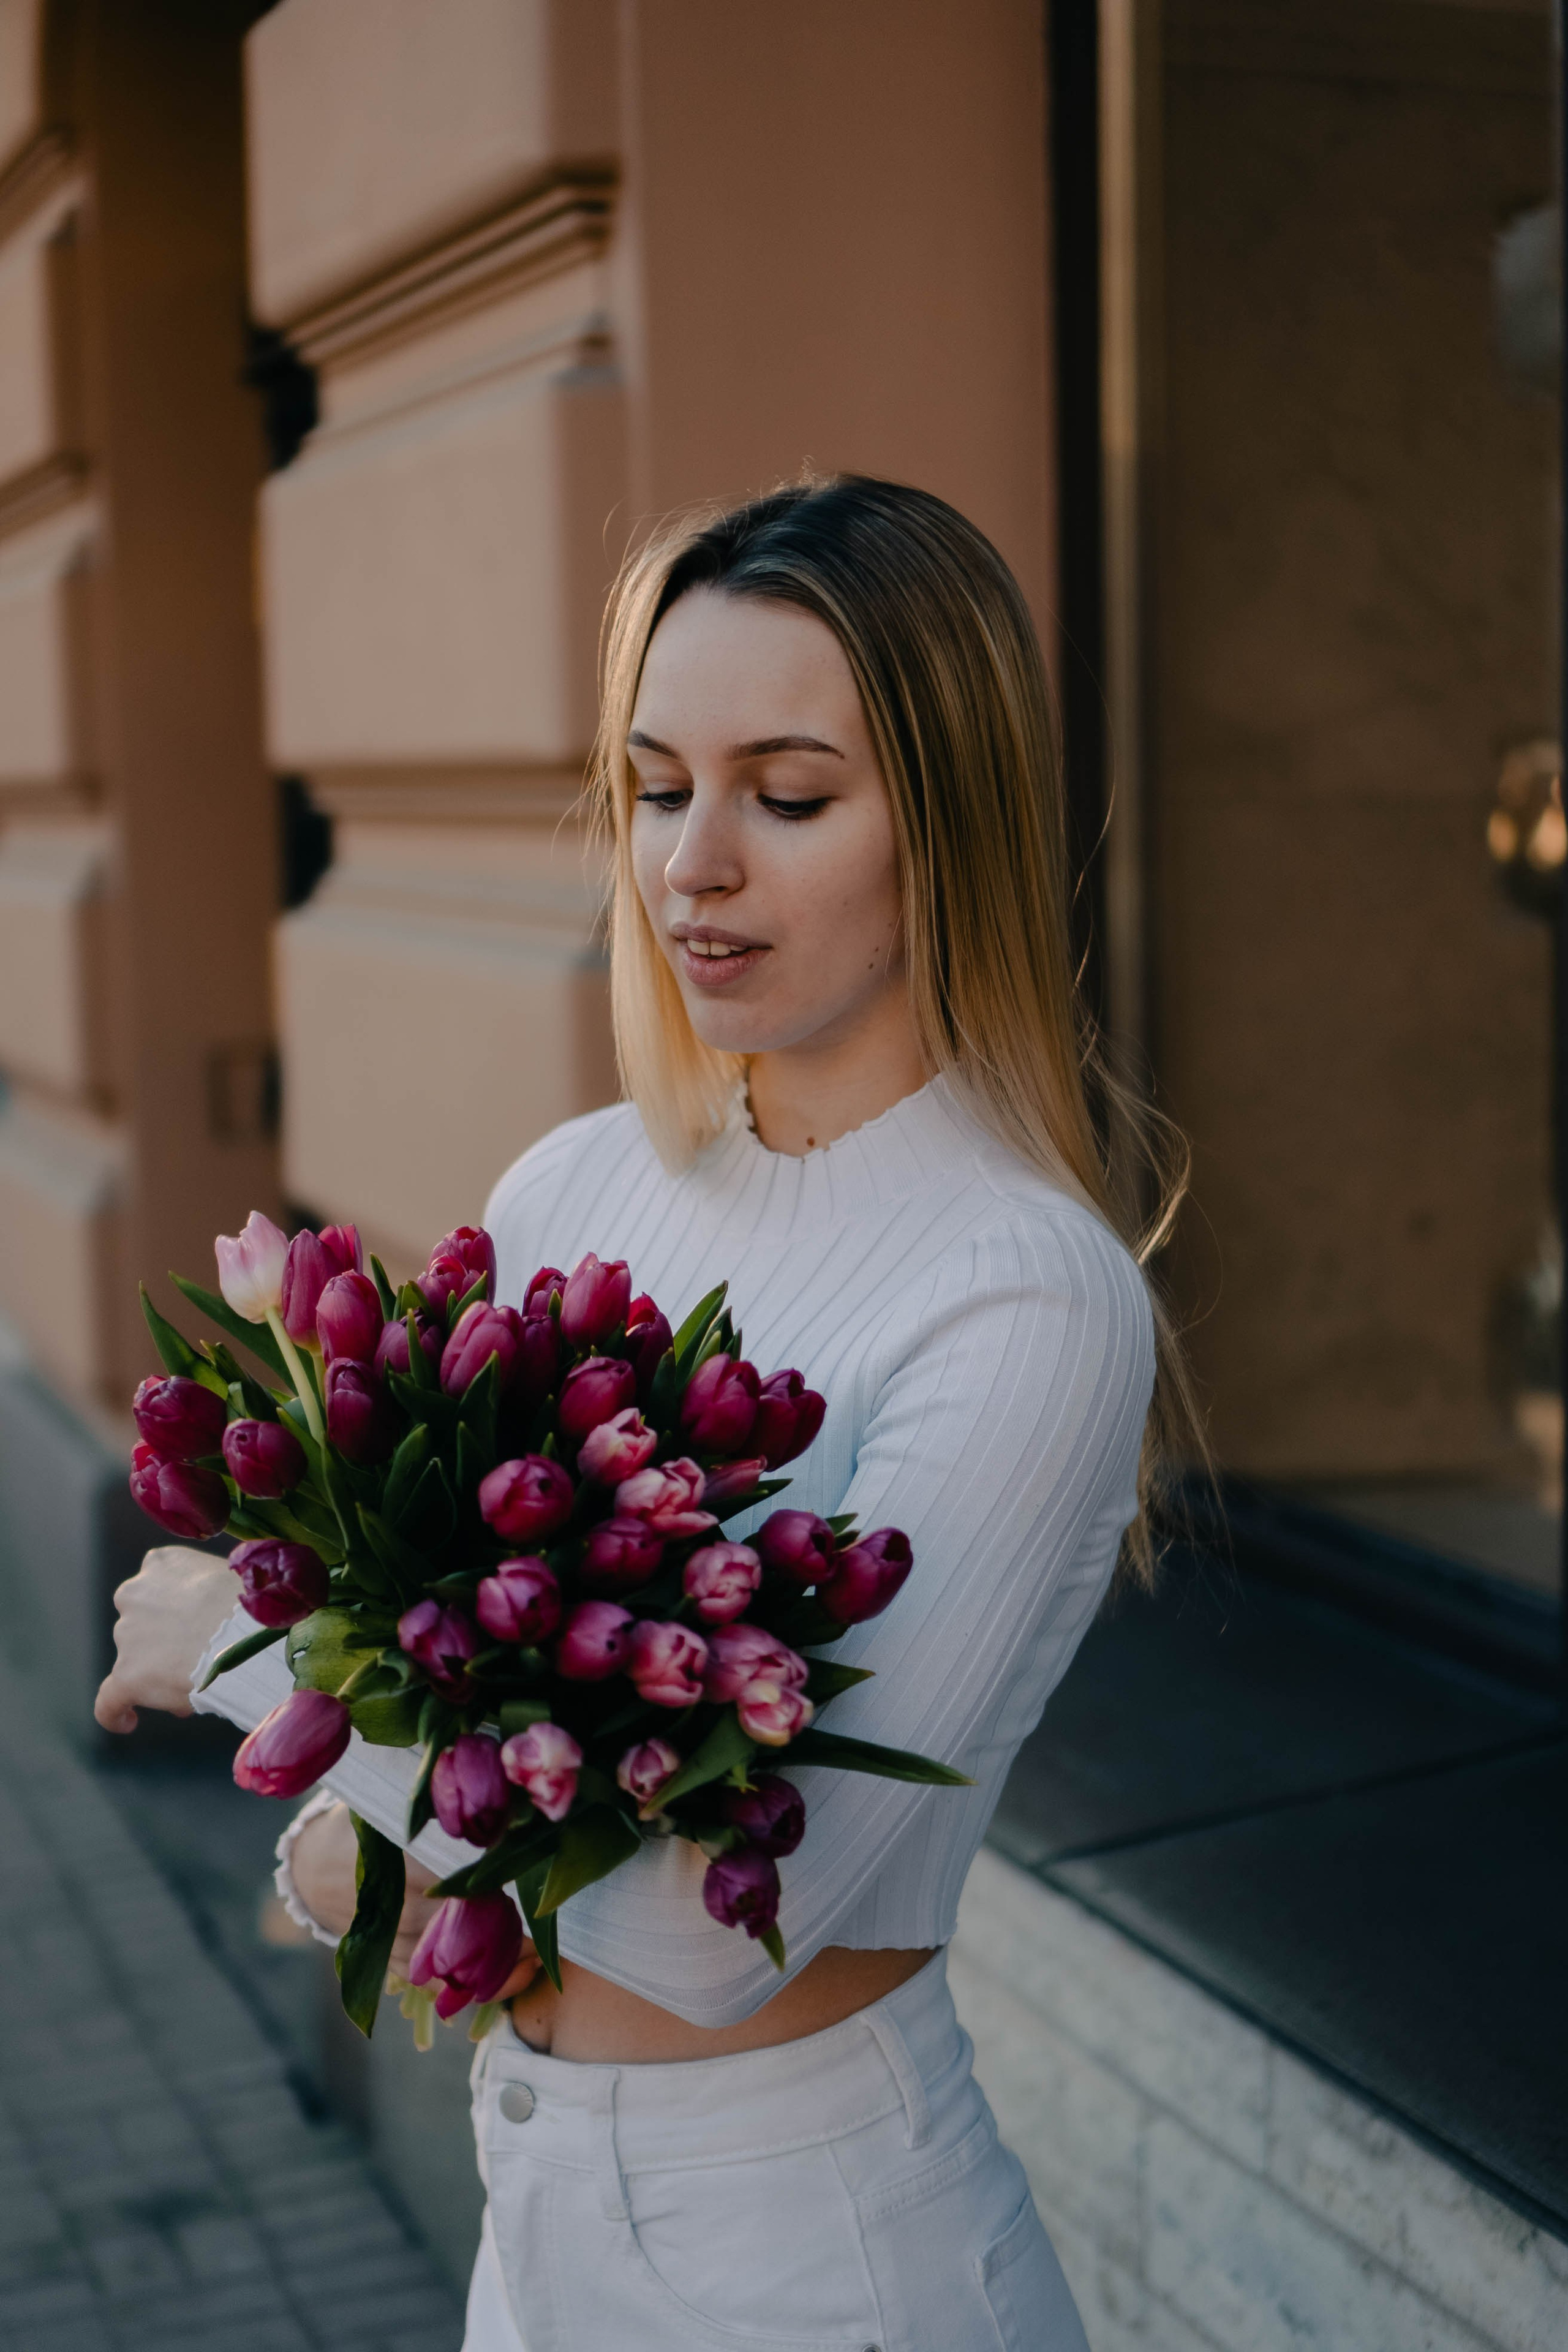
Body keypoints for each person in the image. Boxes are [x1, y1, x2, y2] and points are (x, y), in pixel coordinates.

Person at [97, 477, 1199, 2351]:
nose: (694, 863)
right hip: (535, 2224)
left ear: (949, 822)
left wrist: (248, 1656)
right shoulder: (576, 1189)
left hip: (815, 2254)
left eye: (790, 796)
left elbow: (717, 1931)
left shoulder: (1024, 1296)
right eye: (658, 786)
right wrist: (378, 1841)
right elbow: (448, 1781)